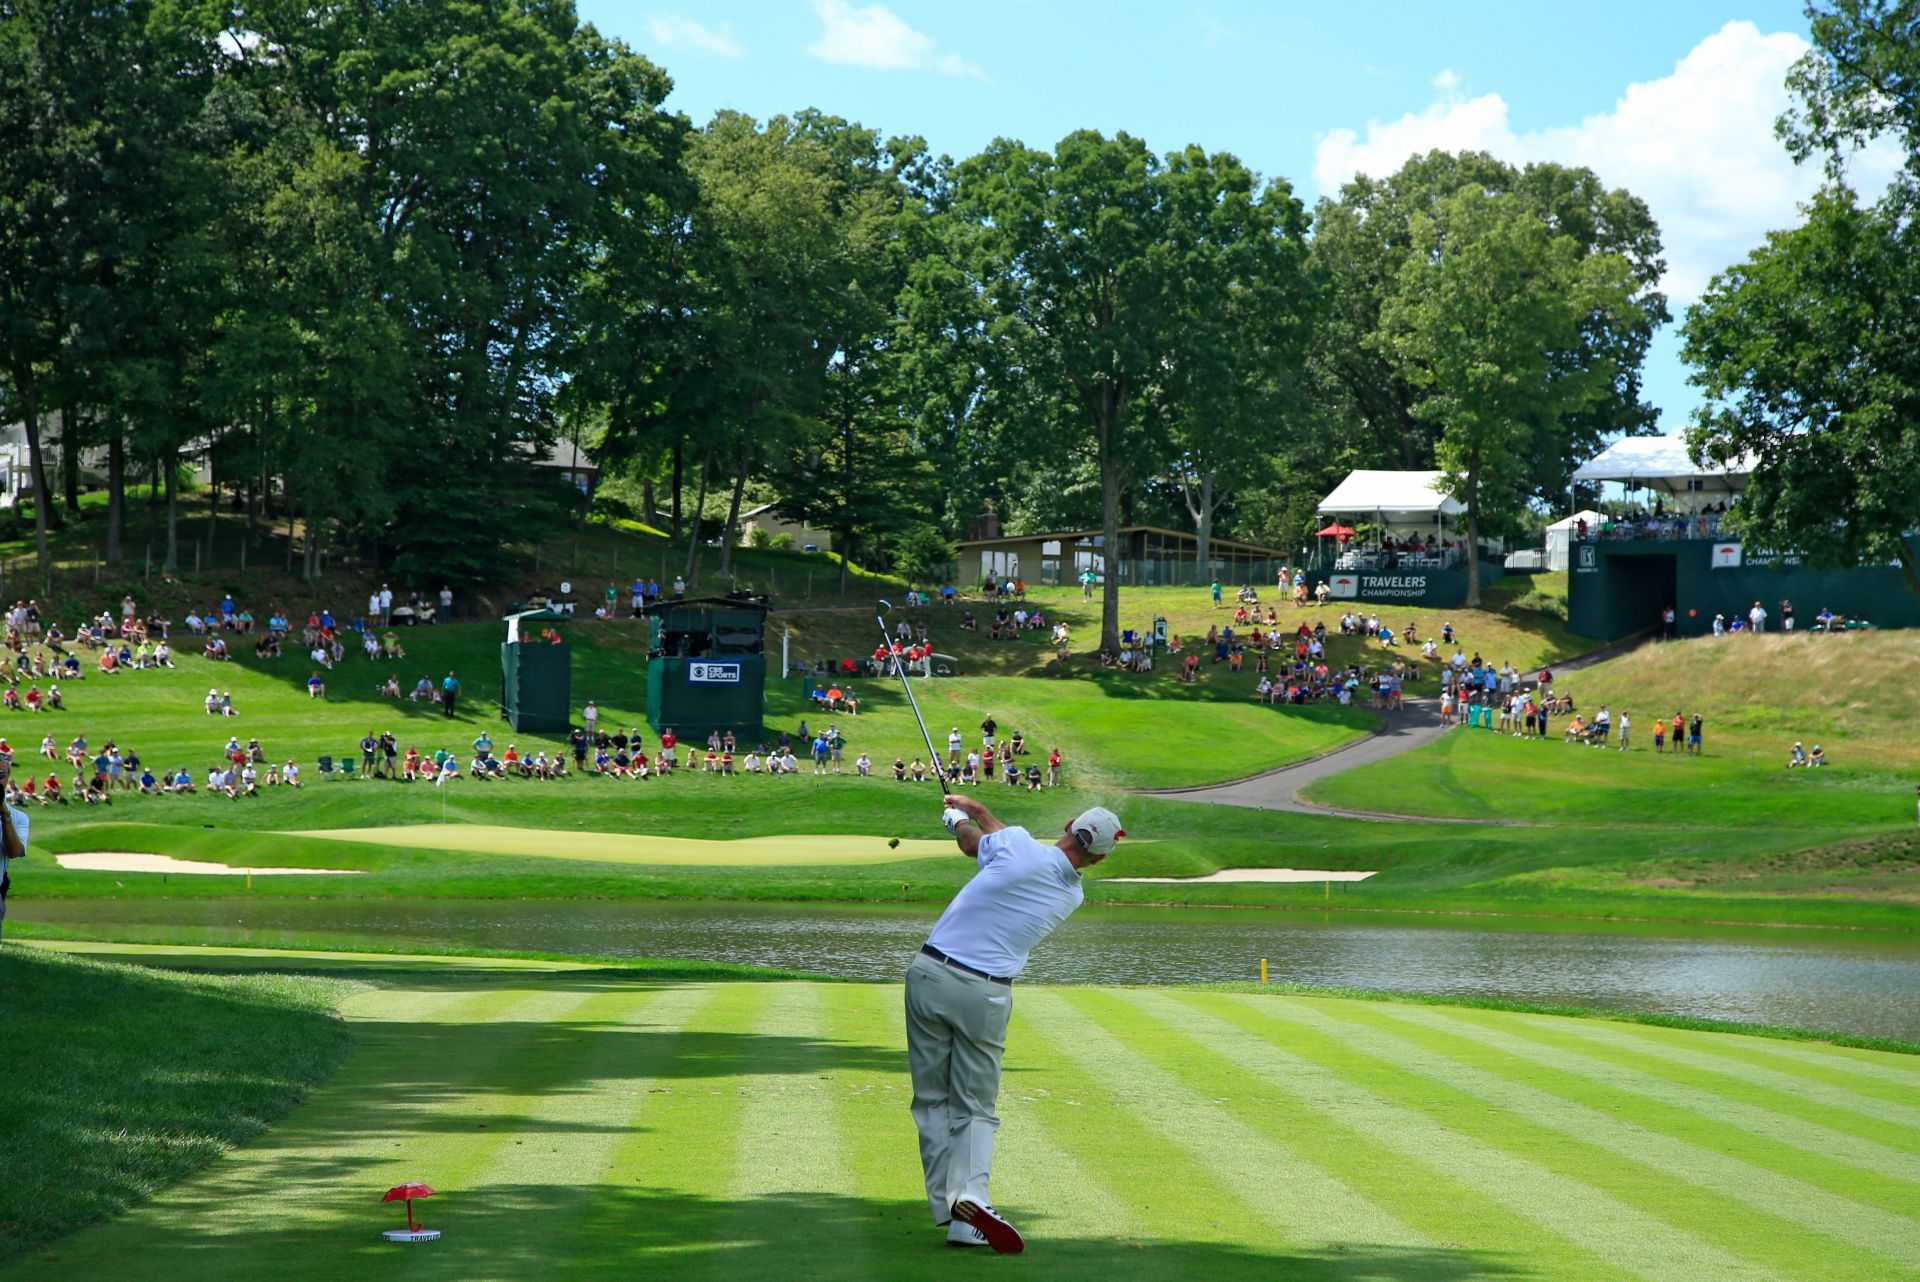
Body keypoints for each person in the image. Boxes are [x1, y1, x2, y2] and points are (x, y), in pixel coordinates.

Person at [908, 794, 1125, 1253]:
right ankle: (970, 1199)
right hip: (984, 993)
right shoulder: (1072, 894)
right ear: (1100, 857)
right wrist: (974, 814)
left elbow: (975, 841)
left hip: (928, 974)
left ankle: (953, 1210)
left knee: (931, 1099)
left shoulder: (1019, 845)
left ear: (1069, 825)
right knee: (975, 1106)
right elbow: (996, 836)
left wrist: (958, 817)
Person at [0, 759, 28, 942]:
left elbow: (14, 851)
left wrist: (5, 815)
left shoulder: (19, 817)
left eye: (0, 775)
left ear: (7, 779)